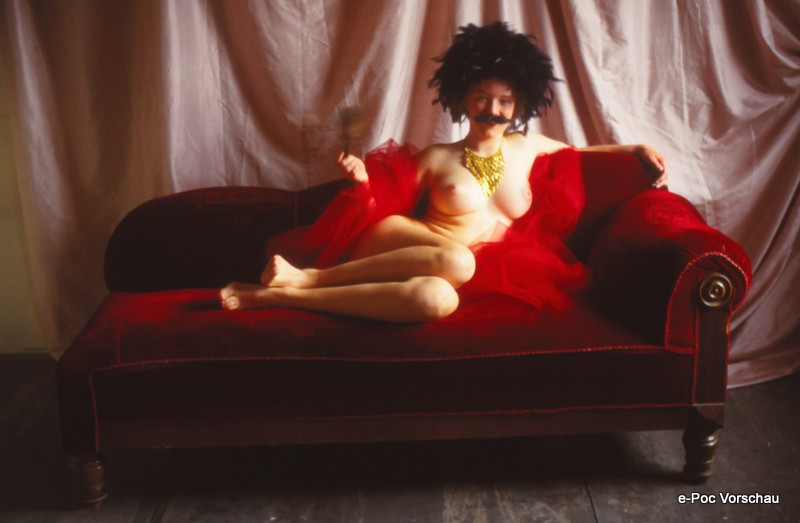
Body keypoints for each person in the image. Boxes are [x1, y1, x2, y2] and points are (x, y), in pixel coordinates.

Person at [220, 22, 667, 321]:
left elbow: (581, 151)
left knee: (437, 301)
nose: (493, 110)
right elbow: (384, 205)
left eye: (505, 101)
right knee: (459, 258)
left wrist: (635, 148)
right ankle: (310, 277)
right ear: (463, 100)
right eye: (481, 98)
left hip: (456, 275)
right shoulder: (437, 157)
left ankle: (281, 296)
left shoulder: (528, 147)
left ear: (519, 106)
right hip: (401, 244)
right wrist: (363, 182)